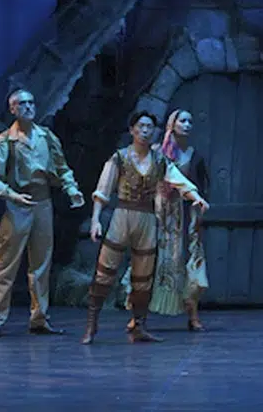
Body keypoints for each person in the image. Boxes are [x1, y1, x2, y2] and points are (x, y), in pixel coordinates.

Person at [81, 111, 209, 345]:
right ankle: (92, 324)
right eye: (141, 126)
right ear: (132, 130)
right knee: (105, 271)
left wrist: (196, 197)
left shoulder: (160, 160)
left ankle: (139, 325)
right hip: (123, 215)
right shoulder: (120, 158)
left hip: (147, 218)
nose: (145, 131)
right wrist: (96, 219)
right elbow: (103, 189)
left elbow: (179, 181)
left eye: (150, 127)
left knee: (143, 277)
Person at [0, 89, 85, 337]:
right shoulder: (5, 141)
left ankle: (39, 317)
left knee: (41, 263)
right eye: (22, 104)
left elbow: (61, 167)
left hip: (42, 202)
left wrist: (71, 189)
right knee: (6, 262)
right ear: (13, 109)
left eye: (31, 102)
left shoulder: (46, 136)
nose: (28, 107)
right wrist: (13, 195)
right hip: (18, 204)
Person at [123, 109, 212, 331]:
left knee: (187, 261)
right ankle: (138, 316)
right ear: (172, 125)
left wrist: (198, 209)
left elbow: (200, 186)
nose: (187, 125)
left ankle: (193, 315)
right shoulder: (157, 153)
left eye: (190, 121)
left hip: (183, 217)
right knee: (147, 261)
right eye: (183, 121)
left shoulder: (194, 156)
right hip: (158, 215)